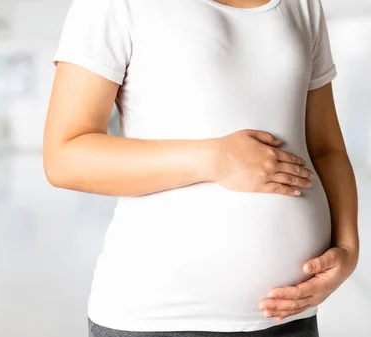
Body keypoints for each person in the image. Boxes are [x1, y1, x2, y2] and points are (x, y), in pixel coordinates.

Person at [43, 0, 360, 336]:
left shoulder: (302, 4)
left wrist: (348, 251)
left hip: (290, 318)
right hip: (159, 321)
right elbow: (65, 156)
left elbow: (326, 149)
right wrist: (214, 159)